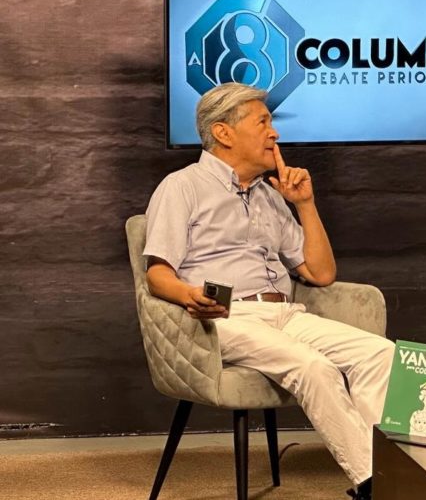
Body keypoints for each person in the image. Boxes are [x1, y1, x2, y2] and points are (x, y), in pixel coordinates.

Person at [143, 82, 394, 500]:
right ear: (223, 133)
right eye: (263, 122)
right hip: (226, 317)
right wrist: (190, 296)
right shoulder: (181, 186)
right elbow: (157, 274)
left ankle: (387, 475)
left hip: (286, 314)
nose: (274, 133)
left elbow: (320, 273)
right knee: (313, 367)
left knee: (379, 353)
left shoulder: (270, 196)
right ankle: (374, 485)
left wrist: (305, 204)